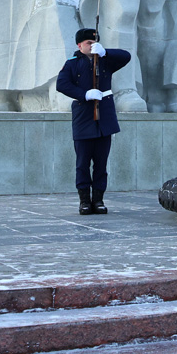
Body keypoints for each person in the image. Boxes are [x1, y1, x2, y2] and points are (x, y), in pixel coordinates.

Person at [56, 27, 132, 215]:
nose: (92, 46)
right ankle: (84, 201)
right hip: (84, 117)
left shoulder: (105, 60)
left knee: (101, 163)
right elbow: (62, 84)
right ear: (79, 45)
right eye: (89, 43)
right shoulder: (72, 63)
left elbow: (126, 56)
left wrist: (106, 51)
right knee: (82, 163)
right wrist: (84, 94)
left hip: (104, 119)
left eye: (95, 42)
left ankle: (98, 200)